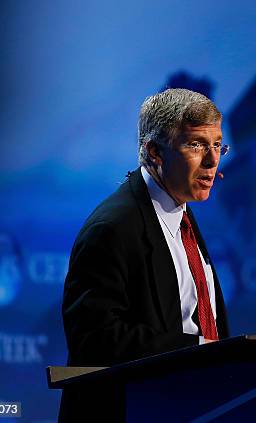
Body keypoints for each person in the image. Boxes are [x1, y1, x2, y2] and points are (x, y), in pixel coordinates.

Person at [62, 88, 230, 368]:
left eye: (217, 145)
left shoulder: (183, 213)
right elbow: (93, 340)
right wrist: (200, 351)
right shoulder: (112, 229)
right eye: (196, 145)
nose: (212, 161)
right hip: (132, 408)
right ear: (155, 152)